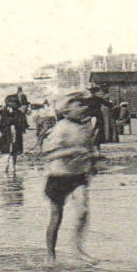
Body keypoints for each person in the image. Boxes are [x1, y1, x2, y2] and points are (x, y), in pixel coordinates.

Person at [41, 93, 97, 262]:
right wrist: (72, 152)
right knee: (56, 217)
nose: (84, 108)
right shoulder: (61, 128)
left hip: (78, 175)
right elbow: (48, 154)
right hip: (58, 176)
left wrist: (93, 161)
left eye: (83, 105)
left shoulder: (87, 126)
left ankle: (78, 248)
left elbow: (89, 148)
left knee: (83, 211)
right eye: (79, 105)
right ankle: (50, 255)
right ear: (67, 110)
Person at [0, 94, 29, 173]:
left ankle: (12, 167)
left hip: (15, 134)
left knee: (14, 151)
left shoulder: (18, 113)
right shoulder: (5, 113)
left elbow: (23, 123)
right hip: (7, 134)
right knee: (8, 151)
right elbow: (2, 124)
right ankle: (7, 167)